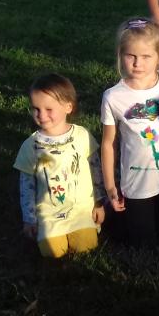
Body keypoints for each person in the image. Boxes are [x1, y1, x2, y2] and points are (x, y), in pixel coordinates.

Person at [101, 18, 159, 247]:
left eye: (146, 56)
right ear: (120, 55)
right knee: (141, 241)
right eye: (131, 56)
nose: (137, 63)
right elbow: (108, 143)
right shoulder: (113, 96)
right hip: (137, 184)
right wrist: (110, 186)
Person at [15, 73, 105, 258]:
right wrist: (29, 219)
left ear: (68, 107)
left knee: (86, 247)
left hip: (81, 210)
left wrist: (98, 203)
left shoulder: (82, 136)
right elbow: (26, 185)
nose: (41, 115)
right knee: (53, 252)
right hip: (49, 215)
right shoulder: (30, 146)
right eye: (36, 109)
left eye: (49, 109)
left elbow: (96, 170)